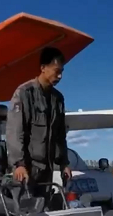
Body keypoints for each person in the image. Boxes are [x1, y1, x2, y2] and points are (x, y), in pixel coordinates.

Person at [5, 47, 73, 201]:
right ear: (43, 68)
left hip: (47, 170)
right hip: (26, 170)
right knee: (26, 211)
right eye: (56, 71)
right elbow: (15, 132)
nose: (60, 76)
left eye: (62, 71)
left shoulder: (58, 99)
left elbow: (60, 135)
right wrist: (19, 164)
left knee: (45, 209)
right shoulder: (24, 93)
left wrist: (64, 163)